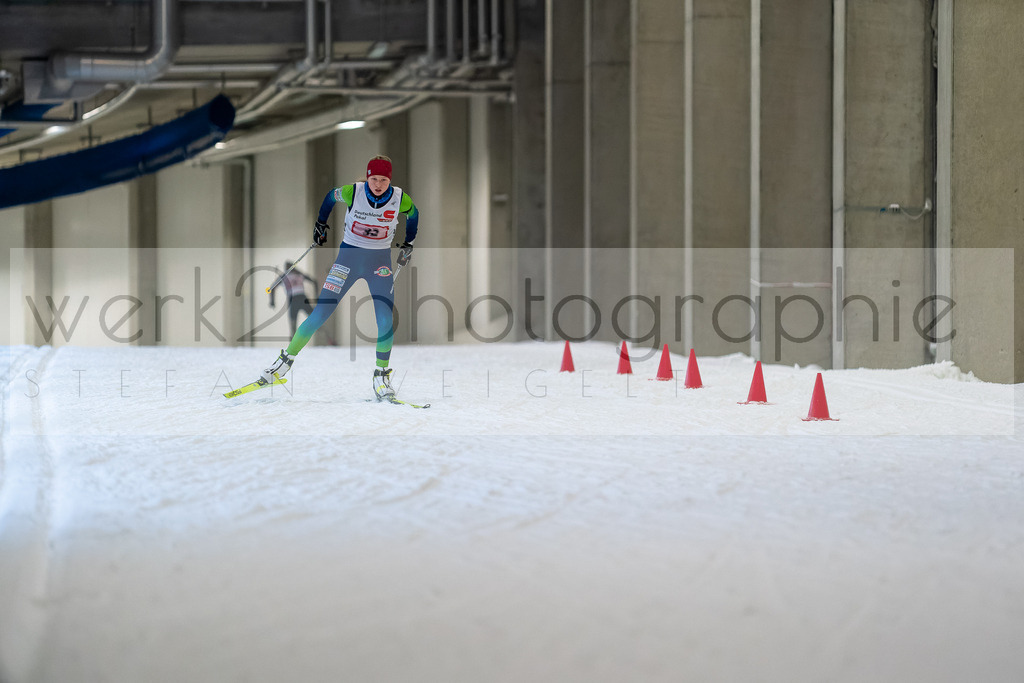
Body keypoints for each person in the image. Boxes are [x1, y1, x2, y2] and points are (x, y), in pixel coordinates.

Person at [260, 155, 419, 399]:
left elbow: (414, 213)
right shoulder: (352, 192)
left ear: (390, 180)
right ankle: (284, 362)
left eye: (384, 180)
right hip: (348, 261)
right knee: (320, 313)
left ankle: (381, 375)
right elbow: (329, 197)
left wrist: (408, 242)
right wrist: (320, 224)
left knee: (385, 319)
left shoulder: (399, 198)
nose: (378, 184)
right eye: (374, 179)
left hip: (379, 264)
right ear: (368, 177)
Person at [269, 260, 318, 337]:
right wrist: (316, 297)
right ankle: (328, 338)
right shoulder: (298, 274)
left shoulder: (284, 276)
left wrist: (272, 301)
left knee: (293, 325)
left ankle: (291, 346)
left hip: (294, 299)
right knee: (314, 320)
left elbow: (272, 289)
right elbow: (314, 282)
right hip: (302, 298)